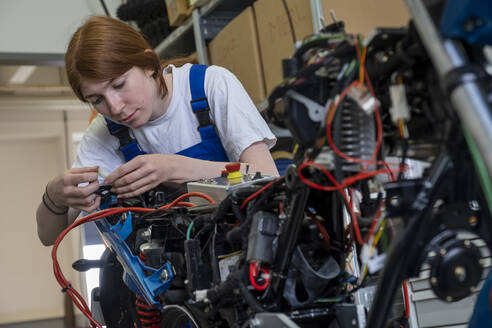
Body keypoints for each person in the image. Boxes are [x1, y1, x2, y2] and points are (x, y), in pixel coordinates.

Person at [36, 16, 278, 246]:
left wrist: (172, 168)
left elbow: (268, 177)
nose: (115, 107)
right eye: (97, 99)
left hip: (241, 247)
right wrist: (53, 197)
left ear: (148, 64)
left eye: (119, 84)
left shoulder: (210, 86)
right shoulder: (103, 133)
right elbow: (49, 236)